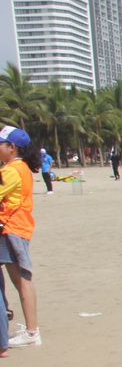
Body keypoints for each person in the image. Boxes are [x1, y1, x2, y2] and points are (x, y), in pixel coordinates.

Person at [0, 125, 43, 348]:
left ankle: (32, 331)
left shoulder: (12, 170)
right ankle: (31, 330)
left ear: (11, 147)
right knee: (23, 279)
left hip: (11, 228)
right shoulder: (18, 168)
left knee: (21, 280)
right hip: (18, 228)